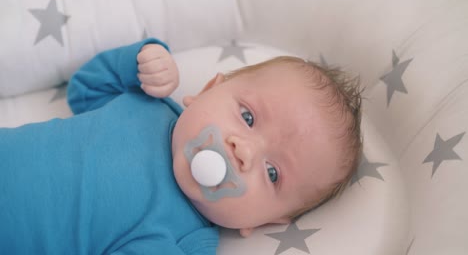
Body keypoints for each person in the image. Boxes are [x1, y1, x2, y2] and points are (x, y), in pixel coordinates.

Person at [0, 38, 362, 254]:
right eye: (248, 118)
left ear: (266, 221)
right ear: (207, 90)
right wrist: (139, 62)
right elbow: (84, 89)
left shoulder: (183, 240)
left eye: (272, 174)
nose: (244, 151)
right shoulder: (148, 104)